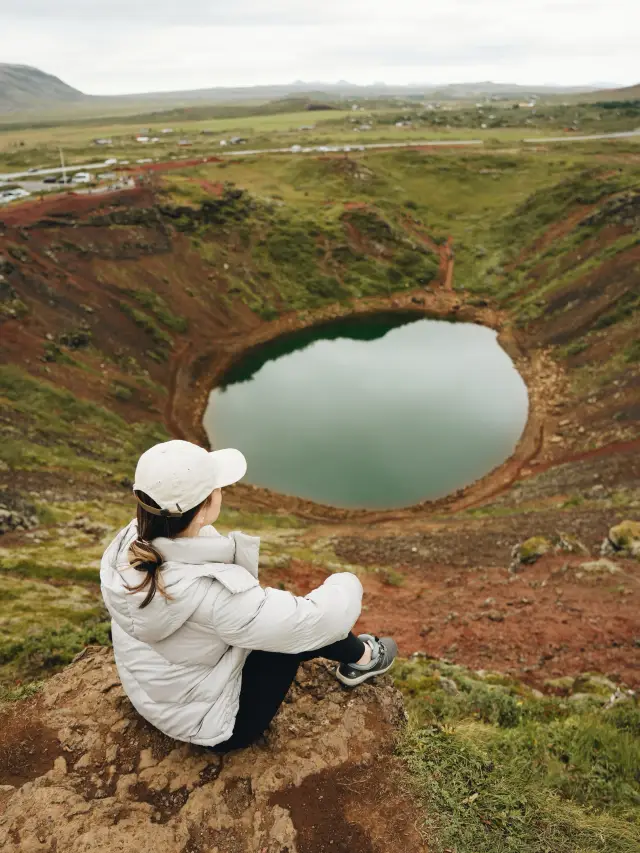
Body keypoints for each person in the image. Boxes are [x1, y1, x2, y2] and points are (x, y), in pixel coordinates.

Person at [100, 440, 397, 751]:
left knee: (272, 618)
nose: (221, 491)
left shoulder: (129, 546)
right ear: (202, 511)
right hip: (213, 725)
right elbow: (315, 622)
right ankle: (365, 657)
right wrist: (347, 582)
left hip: (154, 696)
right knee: (293, 629)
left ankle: (360, 655)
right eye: (216, 488)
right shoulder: (214, 595)